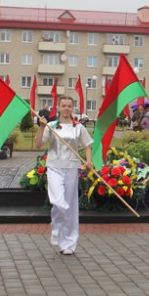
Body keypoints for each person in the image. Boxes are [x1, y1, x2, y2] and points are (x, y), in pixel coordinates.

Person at [35, 96, 93, 256]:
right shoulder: (51, 126)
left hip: (71, 168)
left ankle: (69, 243)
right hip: (54, 167)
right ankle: (56, 227)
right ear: (59, 107)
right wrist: (41, 128)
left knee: (71, 205)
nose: (67, 108)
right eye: (64, 105)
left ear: (73, 108)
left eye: (69, 105)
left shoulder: (78, 127)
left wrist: (88, 161)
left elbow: (87, 145)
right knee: (58, 201)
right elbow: (38, 145)